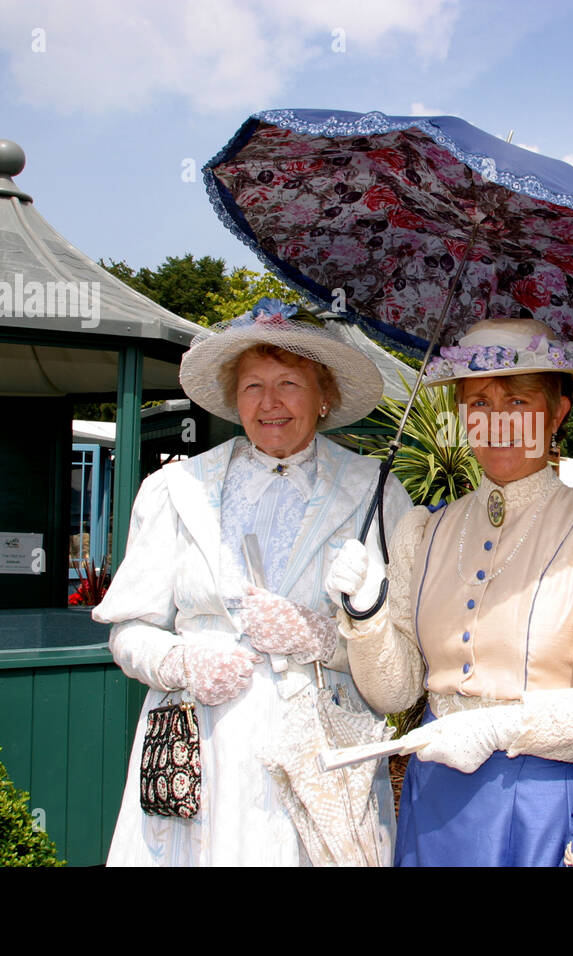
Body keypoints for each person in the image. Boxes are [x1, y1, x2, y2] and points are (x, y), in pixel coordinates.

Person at [328, 318, 573, 867]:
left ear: (556, 414)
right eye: (479, 401)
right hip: (434, 801)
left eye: (519, 400)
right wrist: (365, 615)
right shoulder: (423, 530)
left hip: (551, 809)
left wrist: (499, 726)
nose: (499, 421)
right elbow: (396, 693)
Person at [93, 299, 411, 866]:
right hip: (201, 749)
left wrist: (325, 640)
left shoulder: (377, 494)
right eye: (252, 386)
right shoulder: (177, 489)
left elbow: (404, 654)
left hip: (320, 756)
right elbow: (129, 630)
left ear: (325, 395)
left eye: (290, 383)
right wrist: (179, 662)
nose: (270, 403)